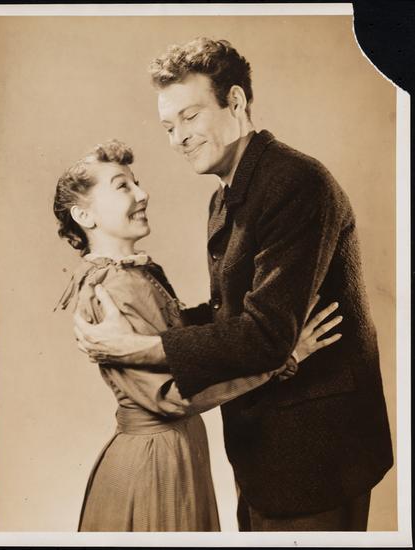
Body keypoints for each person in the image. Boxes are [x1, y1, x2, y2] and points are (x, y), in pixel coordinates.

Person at [74, 38, 394, 531]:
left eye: (190, 116)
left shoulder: (294, 181)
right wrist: (146, 329)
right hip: (266, 450)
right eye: (169, 126)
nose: (178, 138)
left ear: (237, 101)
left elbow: (266, 334)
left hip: (315, 461)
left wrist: (136, 346)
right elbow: (233, 314)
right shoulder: (228, 194)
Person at [53, 139, 341, 532]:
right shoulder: (111, 286)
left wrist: (267, 324)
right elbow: (170, 398)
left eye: (137, 182)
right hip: (155, 464)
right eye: (122, 186)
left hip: (176, 451)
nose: (142, 194)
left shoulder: (134, 274)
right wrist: (281, 360)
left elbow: (185, 341)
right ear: (84, 215)